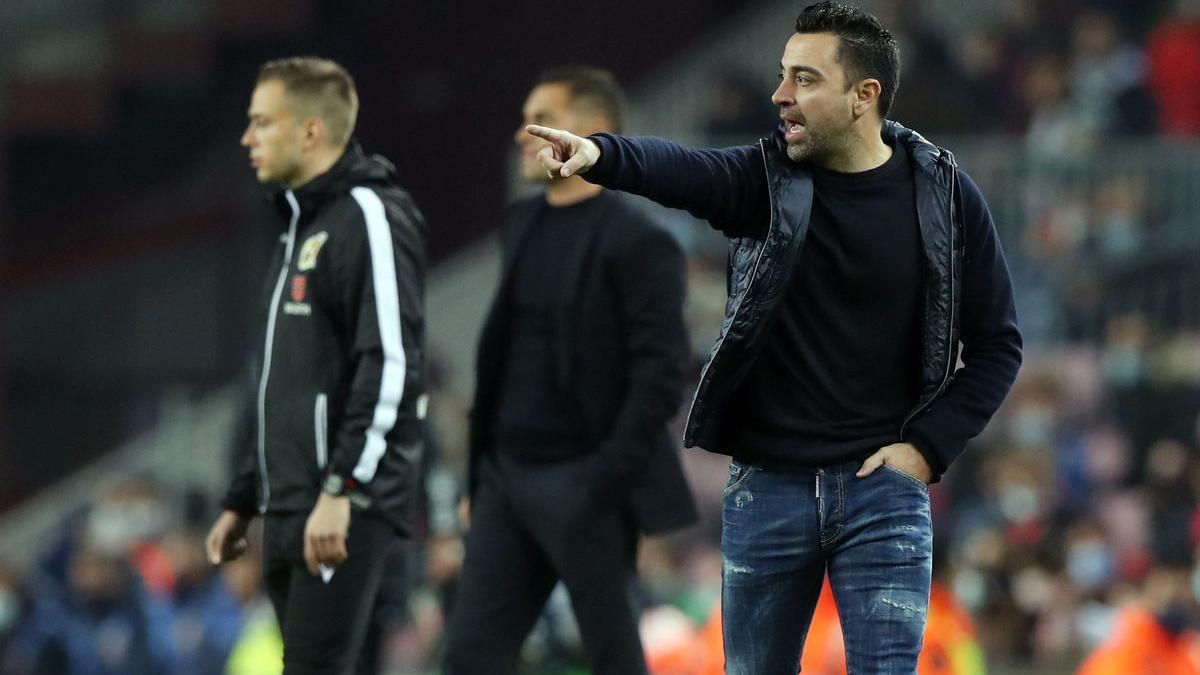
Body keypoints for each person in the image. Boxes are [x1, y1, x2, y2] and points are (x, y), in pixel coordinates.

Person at [526, 2, 1022, 673]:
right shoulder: (765, 181)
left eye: (805, 79)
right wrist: (600, 155)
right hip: (769, 489)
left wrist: (927, 450)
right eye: (783, 75)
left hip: (883, 491)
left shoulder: (944, 194)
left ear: (863, 96)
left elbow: (998, 344)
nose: (779, 95)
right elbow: (683, 170)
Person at [442, 66, 697, 675]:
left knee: (612, 655)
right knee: (469, 657)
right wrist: (479, 477)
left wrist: (601, 480)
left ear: (590, 129)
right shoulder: (519, 223)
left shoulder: (639, 240)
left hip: (585, 484)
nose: (520, 135)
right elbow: (506, 359)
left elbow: (660, 376)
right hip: (506, 480)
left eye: (538, 115)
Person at [204, 56, 427, 674]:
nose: (247, 139)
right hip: (290, 503)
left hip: (339, 505)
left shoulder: (368, 215)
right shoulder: (297, 232)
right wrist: (243, 495)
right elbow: (280, 386)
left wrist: (343, 489)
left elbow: (391, 364)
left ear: (310, 130)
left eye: (261, 123)